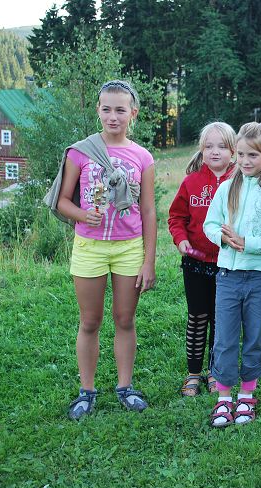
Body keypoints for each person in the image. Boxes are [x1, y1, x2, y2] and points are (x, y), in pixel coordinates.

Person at [55, 80, 157, 419]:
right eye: (107, 109)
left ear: (133, 113)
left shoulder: (142, 156)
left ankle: (125, 388)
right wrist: (83, 215)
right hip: (90, 247)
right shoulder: (80, 152)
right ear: (97, 110)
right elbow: (62, 201)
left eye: (120, 110)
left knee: (125, 319)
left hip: (129, 248)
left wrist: (149, 261)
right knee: (90, 321)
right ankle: (86, 391)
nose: (113, 116)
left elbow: (148, 211)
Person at [203, 122, 261, 427]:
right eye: (240, 154)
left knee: (254, 337)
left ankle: (247, 395)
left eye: (252, 155)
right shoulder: (227, 188)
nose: (245, 160)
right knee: (225, 338)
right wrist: (223, 238)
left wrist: (248, 243)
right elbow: (210, 224)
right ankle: (224, 398)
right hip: (228, 275)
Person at [168, 122, 236, 396]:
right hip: (195, 263)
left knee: (220, 320)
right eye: (209, 146)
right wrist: (180, 239)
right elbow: (176, 217)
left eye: (222, 146)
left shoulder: (241, 182)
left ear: (233, 151)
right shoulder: (191, 182)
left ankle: (214, 372)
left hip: (228, 263)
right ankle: (193, 373)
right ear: (201, 150)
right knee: (197, 316)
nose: (215, 152)